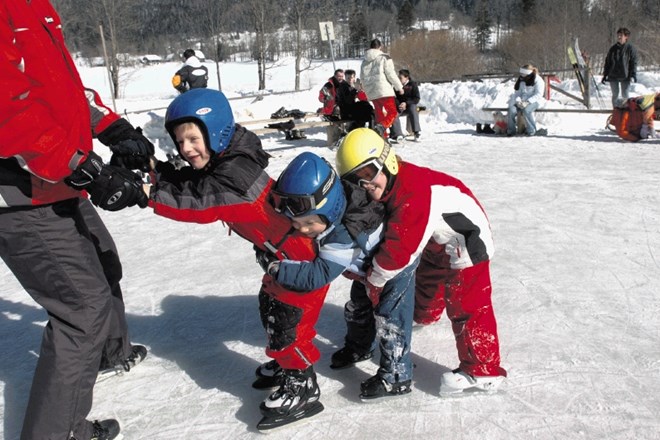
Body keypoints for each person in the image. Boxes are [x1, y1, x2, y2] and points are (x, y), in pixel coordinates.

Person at [0, 1, 150, 439]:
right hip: (22, 192)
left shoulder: (35, 7)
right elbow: (10, 114)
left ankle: (108, 351)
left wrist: (112, 127)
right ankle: (58, 431)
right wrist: (82, 166)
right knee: (81, 308)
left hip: (56, 181)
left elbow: (62, 90)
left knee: (104, 260)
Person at [141, 88, 330, 431]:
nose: (186, 149)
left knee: (288, 326)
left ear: (216, 133)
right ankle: (285, 361)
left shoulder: (236, 180)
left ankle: (301, 382)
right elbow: (195, 182)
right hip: (280, 260)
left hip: (301, 265)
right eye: (180, 141)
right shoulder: (228, 158)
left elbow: (198, 202)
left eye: (193, 139)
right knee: (271, 309)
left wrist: (146, 194)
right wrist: (156, 170)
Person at [335, 128, 507, 397]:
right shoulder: (393, 185)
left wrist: (374, 279)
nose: (365, 185)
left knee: (467, 303)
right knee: (428, 281)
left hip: (467, 241)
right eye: (355, 180)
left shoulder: (413, 192)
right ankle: (427, 314)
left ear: (387, 161)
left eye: (368, 174)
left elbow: (398, 253)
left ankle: (483, 370)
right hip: (438, 241)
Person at [257, 152, 418, 400]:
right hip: (366, 270)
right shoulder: (333, 207)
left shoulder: (343, 234)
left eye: (309, 224)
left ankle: (397, 375)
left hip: (394, 269)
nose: (303, 230)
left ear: (330, 210)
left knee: (390, 318)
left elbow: (318, 275)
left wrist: (277, 268)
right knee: (358, 309)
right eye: (297, 223)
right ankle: (360, 347)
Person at [360, 39, 404, 140]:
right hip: (384, 90)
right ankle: (383, 127)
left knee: (379, 115)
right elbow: (390, 74)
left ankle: (382, 139)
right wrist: (399, 87)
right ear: (380, 46)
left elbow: (362, 78)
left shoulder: (364, 61)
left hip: (372, 92)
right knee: (392, 112)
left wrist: (367, 92)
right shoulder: (384, 57)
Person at [602, 27, 638, 108]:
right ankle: (616, 112)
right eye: (618, 35)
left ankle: (626, 112)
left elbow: (633, 62)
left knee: (625, 94)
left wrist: (633, 74)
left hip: (625, 75)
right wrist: (605, 74)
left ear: (626, 37)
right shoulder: (613, 49)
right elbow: (607, 62)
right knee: (615, 94)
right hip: (613, 75)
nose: (619, 37)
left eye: (621, 35)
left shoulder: (630, 48)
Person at [506, 64, 546, 136]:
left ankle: (531, 130)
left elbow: (539, 94)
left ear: (528, 73)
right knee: (511, 110)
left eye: (523, 74)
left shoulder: (538, 80)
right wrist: (518, 100)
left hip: (535, 101)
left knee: (526, 110)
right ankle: (511, 131)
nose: (521, 75)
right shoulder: (521, 80)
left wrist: (528, 102)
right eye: (521, 73)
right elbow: (518, 93)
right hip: (522, 101)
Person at [390, 69, 422, 142]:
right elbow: (394, 98)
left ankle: (417, 132)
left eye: (400, 78)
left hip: (410, 106)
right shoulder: (397, 86)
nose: (399, 79)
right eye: (398, 77)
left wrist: (406, 103)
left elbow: (416, 98)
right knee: (393, 113)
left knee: (413, 108)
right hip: (400, 107)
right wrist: (399, 104)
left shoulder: (413, 85)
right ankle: (398, 134)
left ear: (406, 77)